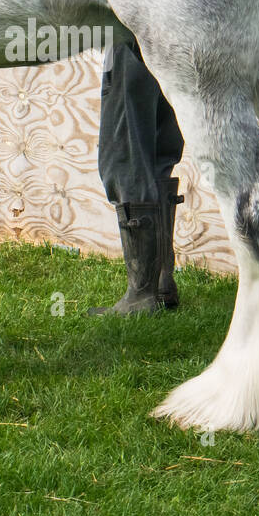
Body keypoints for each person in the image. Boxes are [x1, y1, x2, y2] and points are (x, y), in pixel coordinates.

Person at [89, 39, 184, 315]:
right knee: (159, 150)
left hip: (131, 35)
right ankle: (162, 281)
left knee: (123, 156)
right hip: (173, 32)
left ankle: (141, 295)